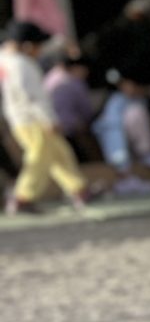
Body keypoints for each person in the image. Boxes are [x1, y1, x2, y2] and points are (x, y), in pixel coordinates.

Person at [4, 21, 88, 215]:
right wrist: (49, 120)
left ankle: (79, 189)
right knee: (39, 157)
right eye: (38, 46)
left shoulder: (7, 59)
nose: (40, 50)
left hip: (21, 117)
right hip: (32, 119)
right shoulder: (21, 65)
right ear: (27, 46)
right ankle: (22, 197)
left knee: (59, 152)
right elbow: (32, 97)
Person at [46, 47, 102, 164]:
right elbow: (87, 111)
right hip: (68, 128)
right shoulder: (75, 83)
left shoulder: (52, 76)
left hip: (49, 124)